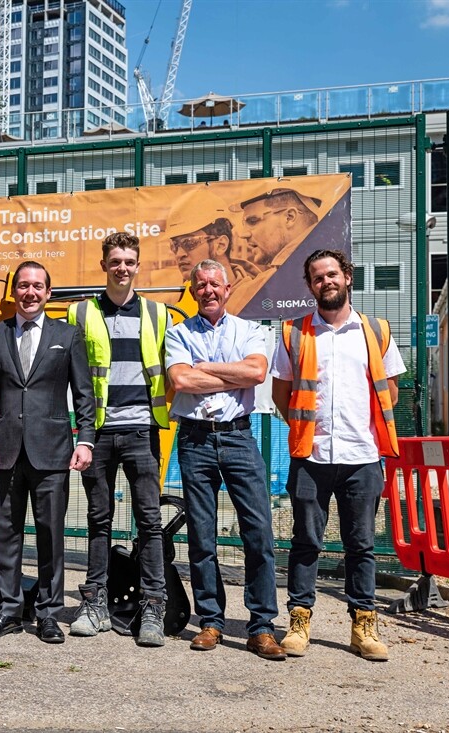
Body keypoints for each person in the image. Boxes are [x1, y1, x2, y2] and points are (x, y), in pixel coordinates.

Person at [271, 249, 404, 662]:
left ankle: (363, 624)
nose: (326, 281)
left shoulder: (376, 331)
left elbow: (391, 391)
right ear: (310, 286)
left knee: (361, 544)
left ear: (347, 277)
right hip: (311, 454)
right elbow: (282, 393)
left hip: (362, 455)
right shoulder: (294, 332)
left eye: (332, 274)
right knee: (306, 541)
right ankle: (299, 619)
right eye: (317, 277)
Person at [165, 259, 285, 660]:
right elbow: (181, 381)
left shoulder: (250, 330)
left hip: (238, 438)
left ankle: (262, 626)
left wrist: (208, 368)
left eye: (215, 284)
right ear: (193, 290)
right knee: (202, 535)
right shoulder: (178, 332)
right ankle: (211, 621)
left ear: (228, 288)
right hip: (195, 440)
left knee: (258, 532)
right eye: (201, 285)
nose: (209, 291)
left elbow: (255, 374)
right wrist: (230, 373)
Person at [0, 261, 96, 644]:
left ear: (48, 292)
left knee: (51, 536)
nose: (30, 293)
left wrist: (86, 438)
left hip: (53, 452)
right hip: (3, 451)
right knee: (4, 534)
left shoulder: (68, 335)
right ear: (14, 292)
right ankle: (8, 611)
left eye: (37, 286)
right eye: (23, 286)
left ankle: (48, 614)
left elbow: (84, 393)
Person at [64, 232, 171, 646]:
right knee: (97, 519)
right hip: (98, 434)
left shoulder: (159, 314)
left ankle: (153, 609)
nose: (122, 268)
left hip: (143, 431)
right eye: (115, 261)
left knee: (149, 522)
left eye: (129, 261)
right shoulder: (81, 313)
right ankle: (95, 605)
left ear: (138, 265)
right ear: (104, 265)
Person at [230, 187, 321, 305]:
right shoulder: (283, 271)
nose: (243, 234)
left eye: (253, 221)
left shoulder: (293, 271)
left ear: (289, 217)